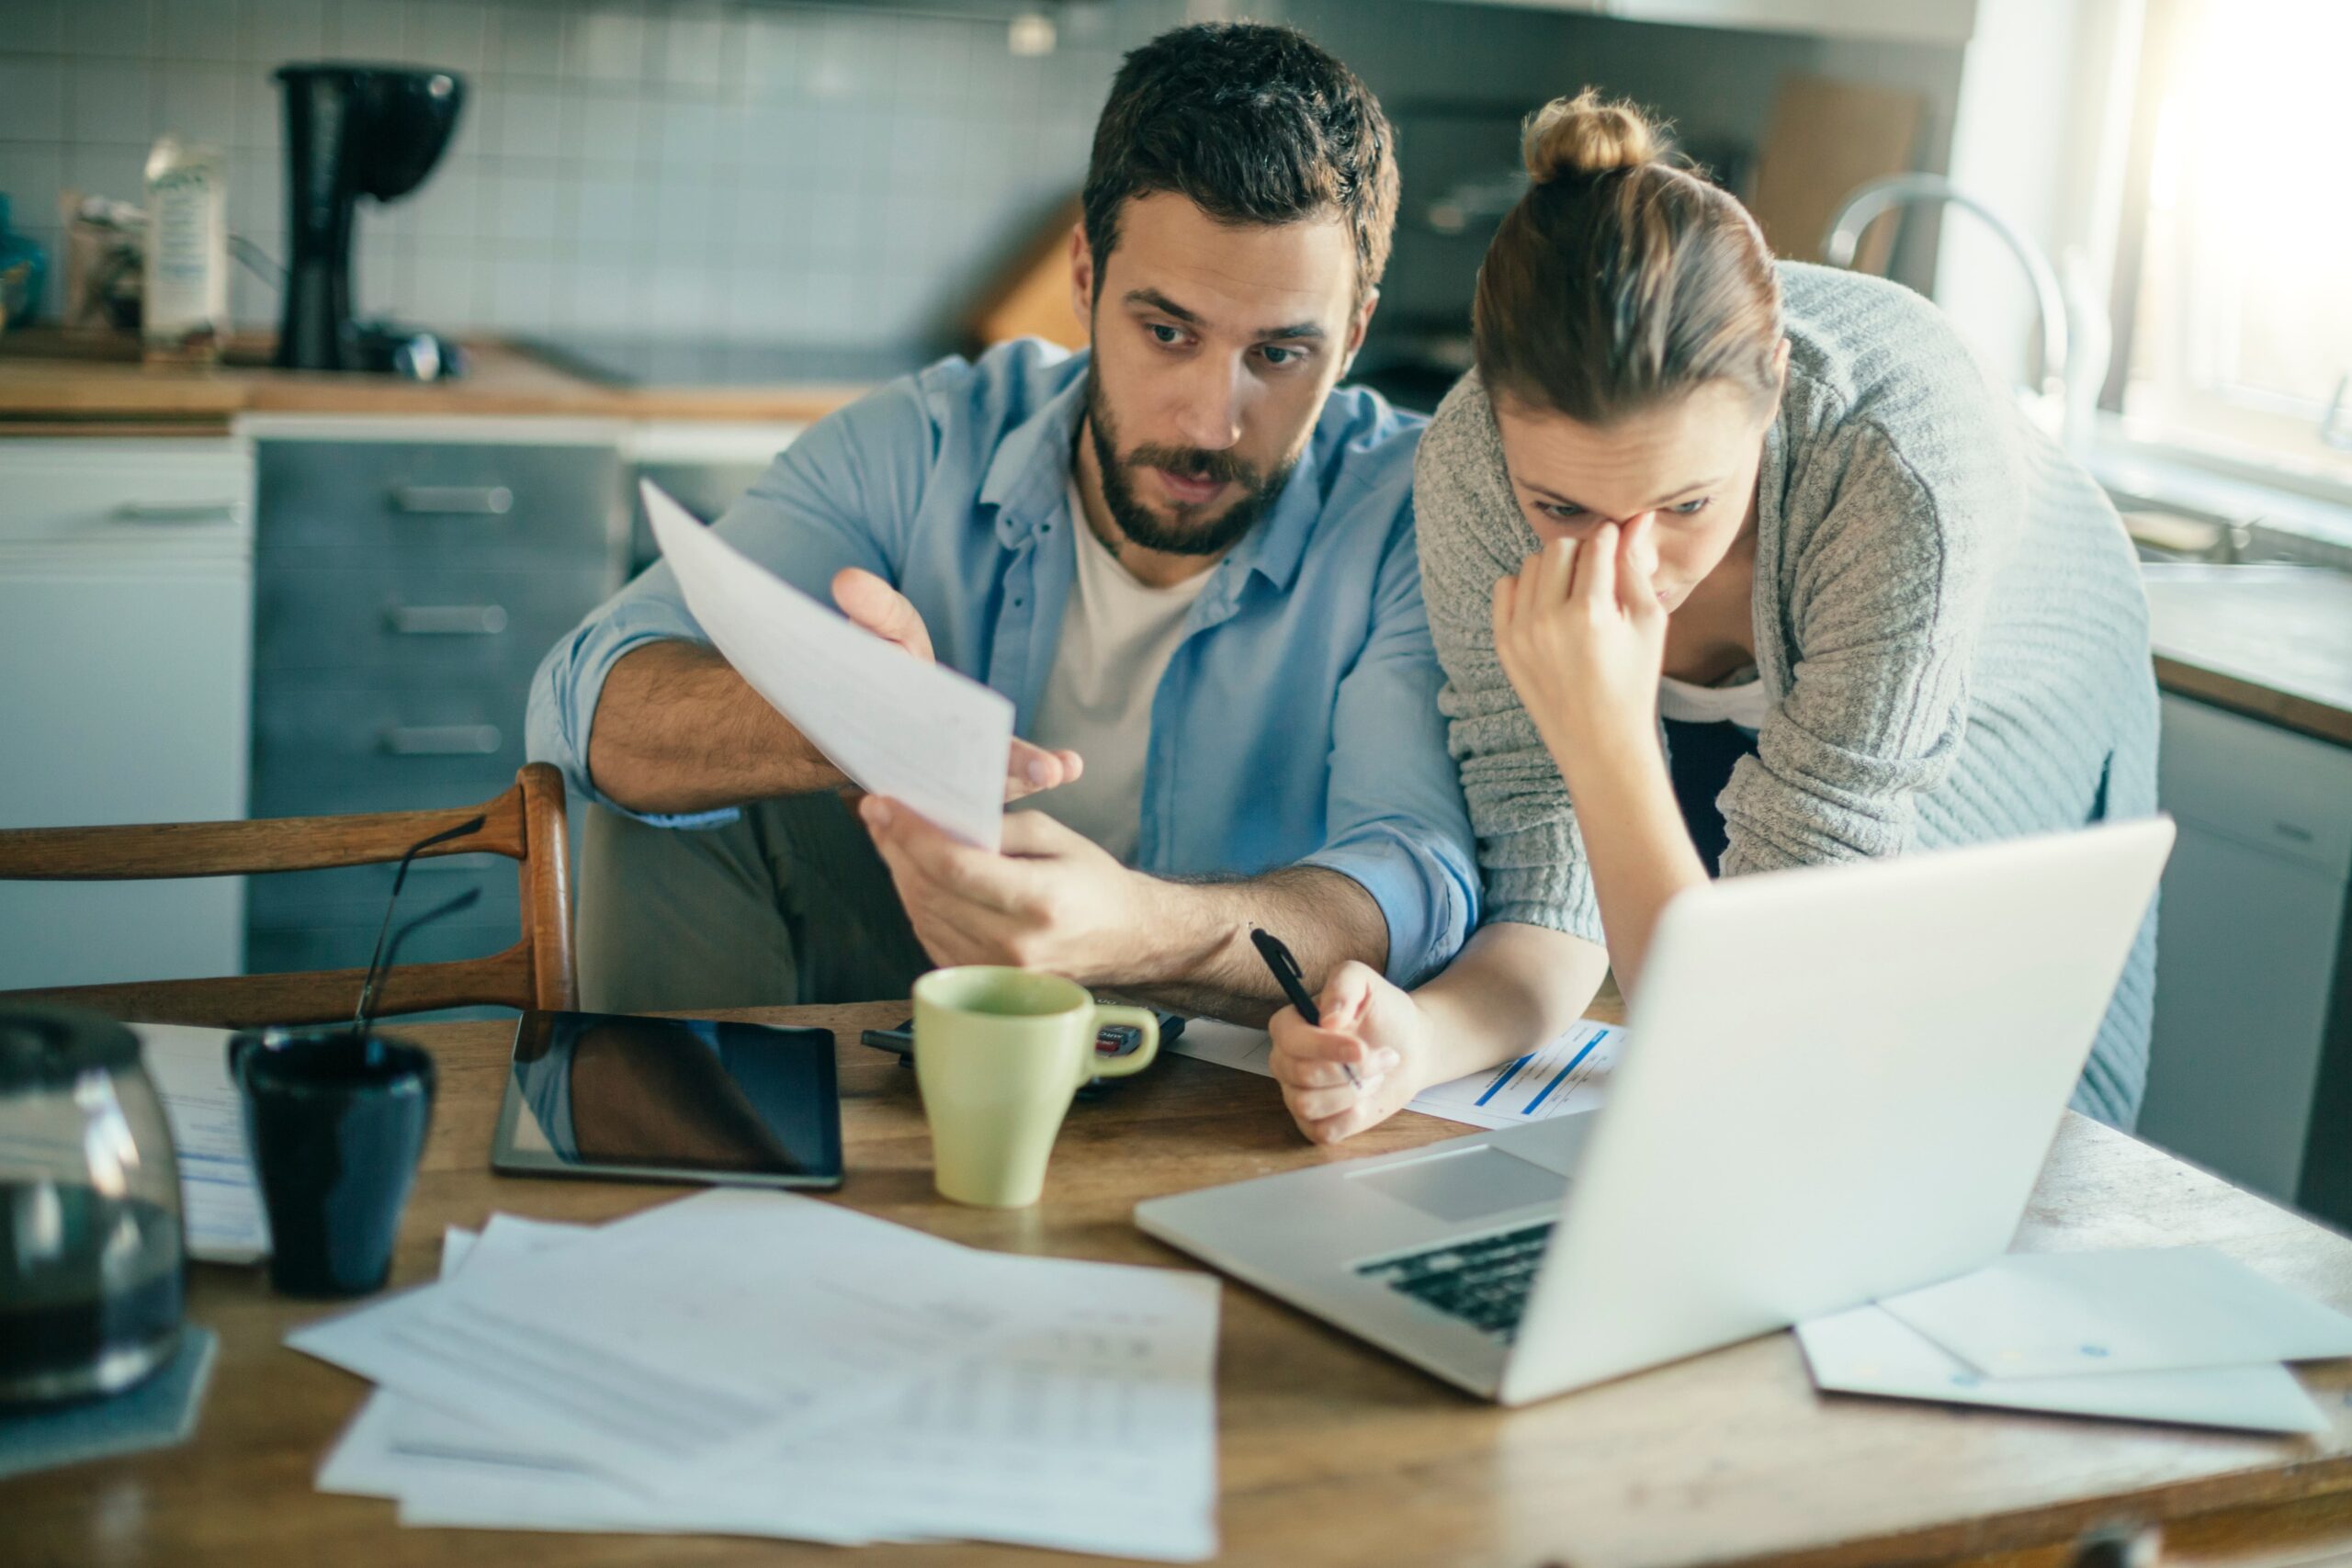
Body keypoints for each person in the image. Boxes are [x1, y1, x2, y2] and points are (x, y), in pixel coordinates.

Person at [527, 23, 1477, 1020]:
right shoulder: (925, 440)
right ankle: (689, 1166)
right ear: (1083, 278)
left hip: (1232, 1063)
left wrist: (1136, 930)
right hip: (914, 1003)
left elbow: (1414, 876)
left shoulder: (1411, 509)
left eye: (1280, 355)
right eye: (1166, 333)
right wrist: (849, 718)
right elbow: (583, 701)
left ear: (1356, 332)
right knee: (668, 795)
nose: (1211, 420)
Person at [1268, 91, 2160, 1139]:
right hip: (1803, 723)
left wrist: (1604, 741)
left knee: (1965, 1113)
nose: (1626, 569)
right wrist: (1416, 1040)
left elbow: (1757, 1026)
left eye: (1684, 505)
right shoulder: (1469, 467)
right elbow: (1550, 897)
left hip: (2019, 681)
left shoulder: (1893, 478)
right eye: (1560, 507)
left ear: (1773, 387)